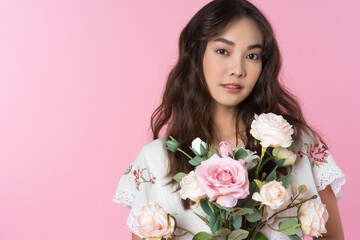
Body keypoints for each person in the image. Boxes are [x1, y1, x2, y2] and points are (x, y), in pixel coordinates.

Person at [112, 0, 346, 239]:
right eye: (223, 51)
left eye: (252, 55)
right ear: (197, 54)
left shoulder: (297, 144)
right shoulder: (155, 160)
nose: (238, 69)